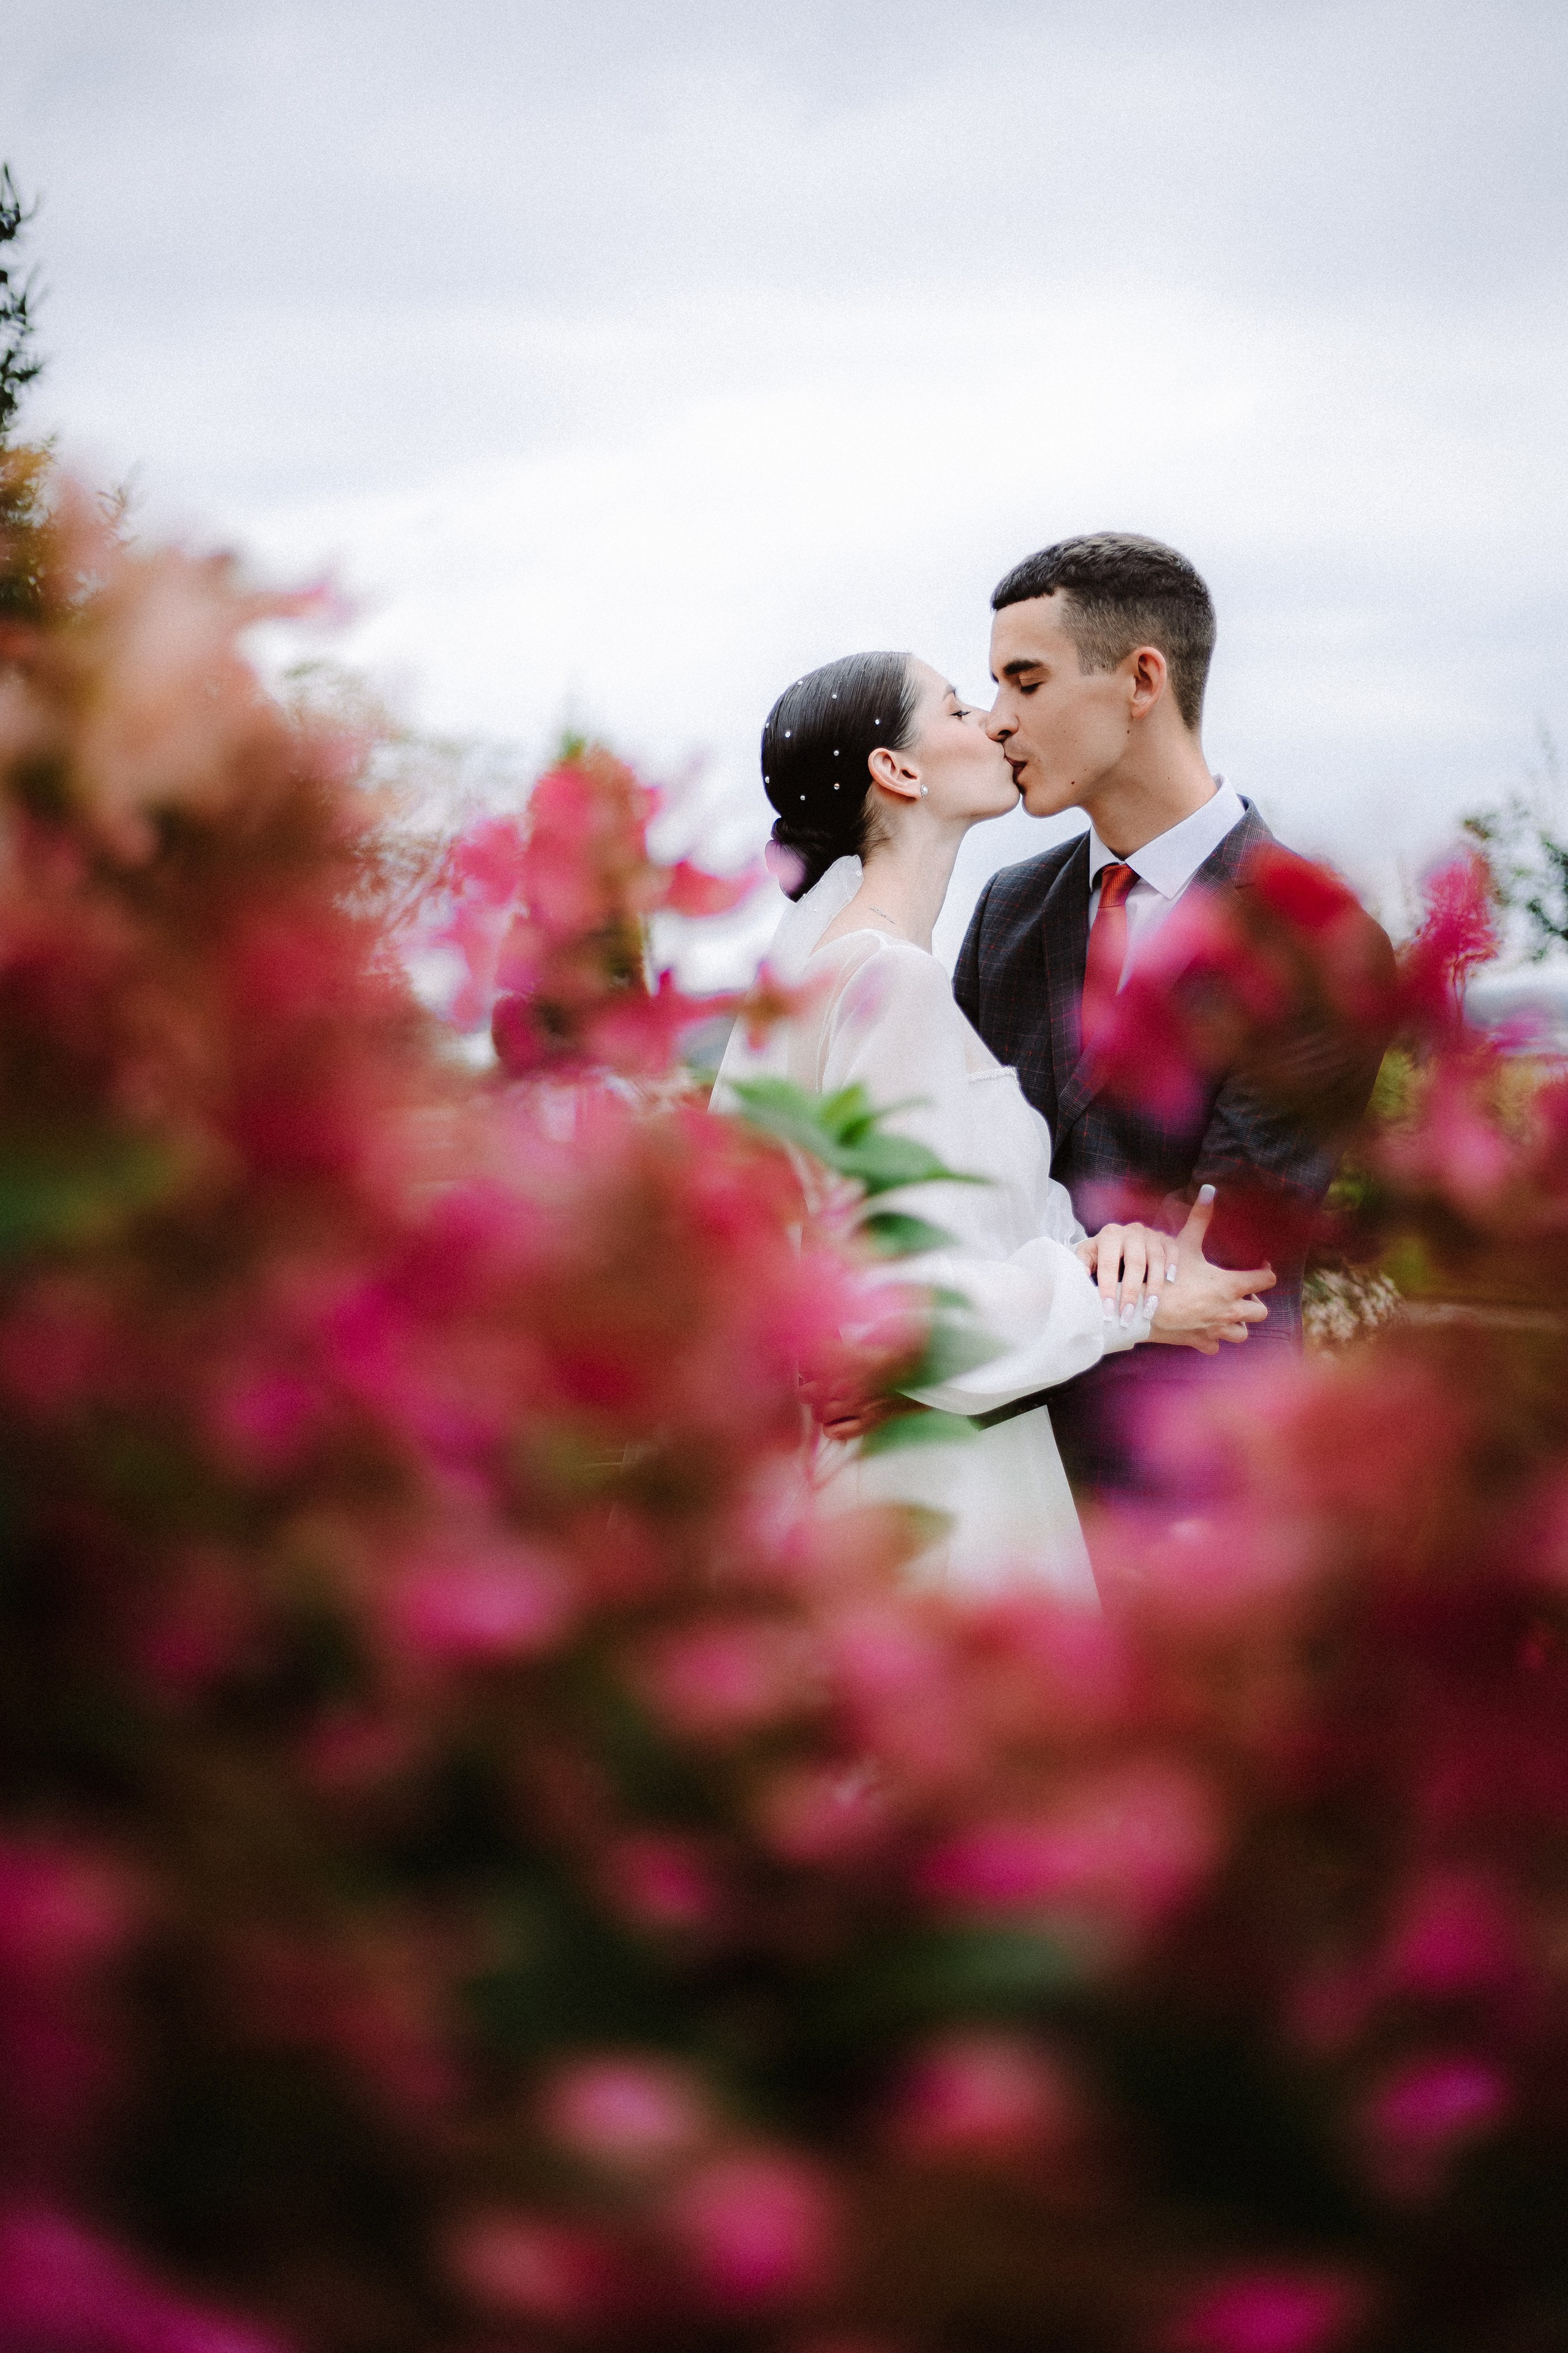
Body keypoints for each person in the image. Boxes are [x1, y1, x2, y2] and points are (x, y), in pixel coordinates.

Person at [713, 649, 1274, 1597]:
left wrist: (1111, 1247)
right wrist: (1134, 1307)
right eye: (960, 707)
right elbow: (894, 1305)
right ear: (899, 770)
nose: (997, 722)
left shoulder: (842, 973)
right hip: (934, 1500)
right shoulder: (887, 979)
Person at [957, 533, 1393, 1497]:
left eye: (1026, 682)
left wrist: (1037, 1269)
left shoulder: (1320, 937)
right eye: (994, 688)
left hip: (1204, 1468)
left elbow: (1222, 1248)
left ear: (1142, 680)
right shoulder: (1006, 911)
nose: (996, 721)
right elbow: (960, 1184)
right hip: (1005, 1456)